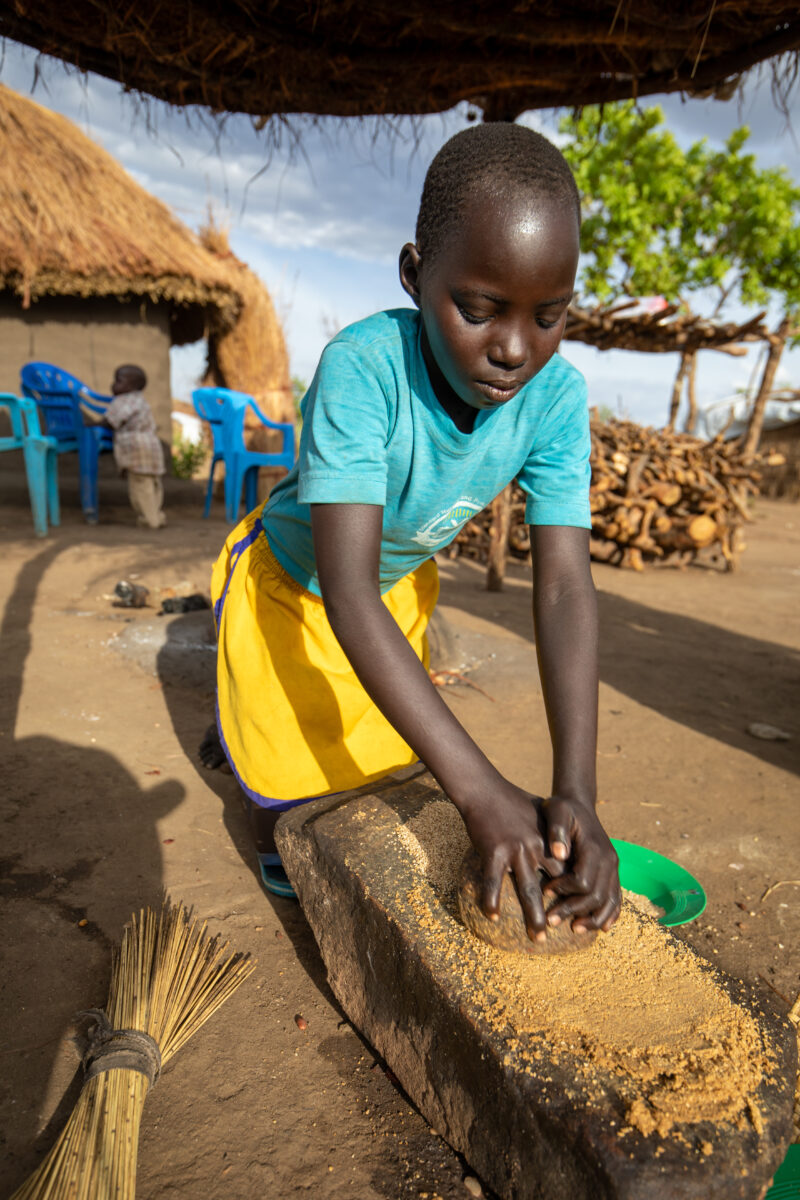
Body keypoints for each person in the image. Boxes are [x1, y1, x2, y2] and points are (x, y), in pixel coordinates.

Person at [205, 122, 621, 938]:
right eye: (479, 308)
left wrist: (577, 791)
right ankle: (241, 740)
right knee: (288, 822)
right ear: (414, 274)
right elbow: (343, 589)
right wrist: (482, 790)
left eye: (550, 316)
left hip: (390, 590)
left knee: (386, 772)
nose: (512, 349)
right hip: (298, 586)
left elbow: (568, 586)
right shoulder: (365, 371)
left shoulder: (558, 400)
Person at [80, 364, 166, 529]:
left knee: (139, 487)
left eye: (118, 381)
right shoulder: (141, 400)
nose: (113, 384)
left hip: (137, 449)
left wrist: (91, 424)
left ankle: (149, 520)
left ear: (132, 386)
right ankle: (157, 516)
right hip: (152, 447)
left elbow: (112, 421)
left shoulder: (124, 400)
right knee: (154, 484)